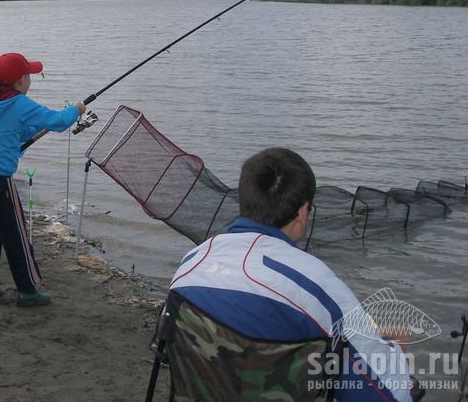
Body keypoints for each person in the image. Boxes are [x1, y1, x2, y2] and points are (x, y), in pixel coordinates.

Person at [168, 147, 419, 401]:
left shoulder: (190, 265)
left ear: (245, 200)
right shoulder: (317, 285)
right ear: (302, 212)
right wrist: (396, 353)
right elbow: (388, 395)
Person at [0, 52, 85, 307]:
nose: (31, 79)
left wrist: (35, 130)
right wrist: (76, 109)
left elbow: (18, 132)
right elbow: (58, 121)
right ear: (21, 81)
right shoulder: (20, 103)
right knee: (16, 237)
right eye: (29, 75)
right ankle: (27, 291)